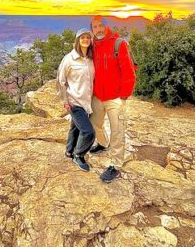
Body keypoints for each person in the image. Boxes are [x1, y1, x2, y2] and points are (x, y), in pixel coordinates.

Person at [89, 16, 136, 183]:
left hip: (115, 97)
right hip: (97, 96)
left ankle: (115, 166)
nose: (98, 29)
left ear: (107, 27)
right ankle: (102, 143)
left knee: (117, 130)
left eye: (101, 26)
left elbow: (129, 71)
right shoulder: (91, 46)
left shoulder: (118, 44)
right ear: (92, 29)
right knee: (94, 124)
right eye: (95, 27)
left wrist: (124, 96)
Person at [56, 28, 96, 172]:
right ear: (77, 40)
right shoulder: (69, 59)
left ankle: (69, 150)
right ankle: (78, 155)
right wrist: (65, 100)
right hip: (74, 102)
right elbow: (60, 81)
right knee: (88, 132)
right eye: (82, 37)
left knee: (76, 127)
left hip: (87, 101)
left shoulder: (91, 59)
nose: (85, 40)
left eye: (88, 37)